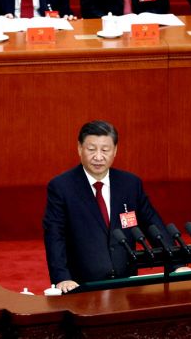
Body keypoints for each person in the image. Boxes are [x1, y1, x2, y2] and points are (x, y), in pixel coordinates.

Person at [43, 120, 171, 293]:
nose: (98, 156)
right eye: (91, 149)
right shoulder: (62, 187)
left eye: (105, 150)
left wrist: (176, 264)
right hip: (83, 287)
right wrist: (62, 278)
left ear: (115, 150)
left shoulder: (130, 184)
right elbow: (55, 236)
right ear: (79, 148)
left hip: (127, 285)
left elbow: (152, 225)